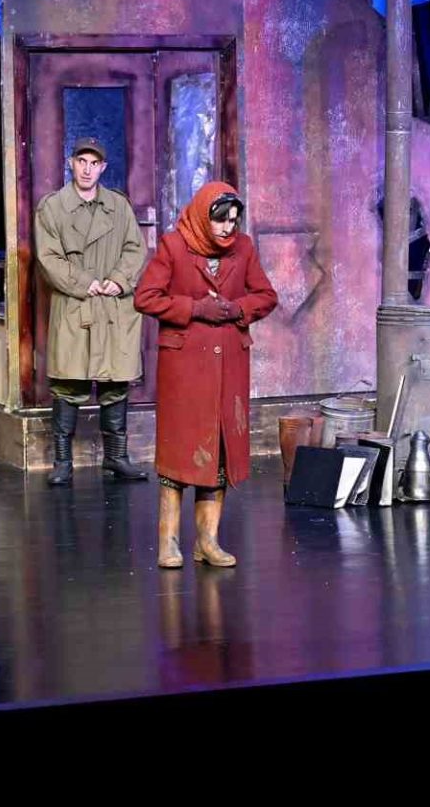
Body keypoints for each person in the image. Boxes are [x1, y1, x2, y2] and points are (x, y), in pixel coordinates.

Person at [134, 182, 277, 568]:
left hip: (229, 365)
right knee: (179, 450)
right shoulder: (174, 246)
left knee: (219, 451)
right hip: (185, 368)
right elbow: (145, 297)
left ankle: (207, 541)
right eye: (221, 220)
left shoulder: (243, 248)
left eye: (234, 220)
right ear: (203, 216)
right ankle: (168, 542)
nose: (229, 227)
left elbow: (266, 296)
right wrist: (195, 308)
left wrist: (237, 309)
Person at [33, 137, 149, 485]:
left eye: (94, 163)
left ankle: (116, 457)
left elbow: (135, 249)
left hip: (113, 306)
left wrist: (118, 280)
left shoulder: (118, 206)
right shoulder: (53, 207)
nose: (87, 169)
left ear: (103, 168)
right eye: (81, 161)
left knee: (116, 383)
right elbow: (48, 258)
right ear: (71, 163)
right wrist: (86, 282)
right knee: (68, 383)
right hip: (76, 302)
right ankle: (63, 463)